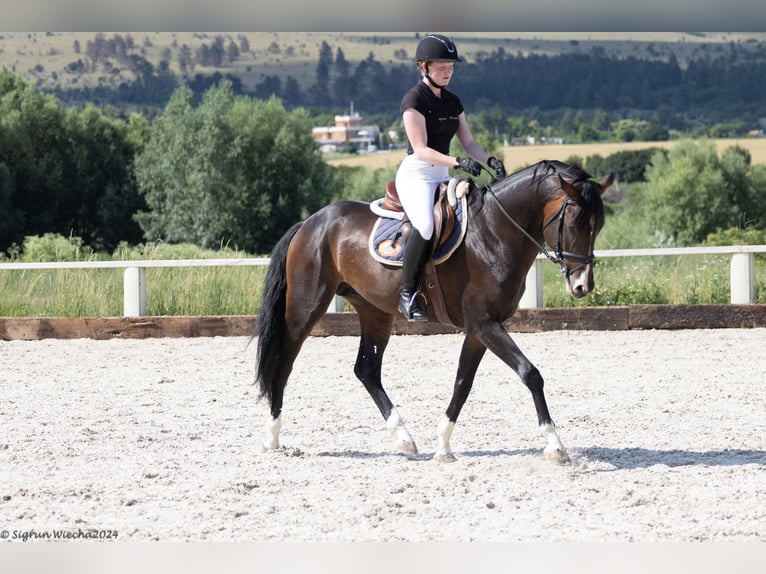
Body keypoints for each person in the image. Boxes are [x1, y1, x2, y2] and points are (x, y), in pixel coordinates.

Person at [394, 33, 507, 321]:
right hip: (417, 175)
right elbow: (420, 149)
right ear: (424, 67)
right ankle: (407, 295)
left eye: (450, 67)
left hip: (442, 174)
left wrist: (489, 160)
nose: (447, 72)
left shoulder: (453, 102)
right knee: (427, 226)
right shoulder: (413, 99)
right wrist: (458, 162)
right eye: (441, 67)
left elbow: (469, 143)